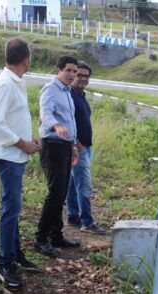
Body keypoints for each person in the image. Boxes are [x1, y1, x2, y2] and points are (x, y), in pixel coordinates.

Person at [0, 38, 40, 288]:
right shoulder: (5, 84)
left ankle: (15, 254)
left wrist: (29, 141)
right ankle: (4, 263)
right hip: (7, 156)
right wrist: (22, 143)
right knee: (11, 209)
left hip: (16, 154)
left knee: (14, 208)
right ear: (26, 59)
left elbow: (11, 118)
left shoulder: (16, 81)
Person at [35, 56, 81, 257]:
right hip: (52, 145)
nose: (72, 75)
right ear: (59, 70)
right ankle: (41, 238)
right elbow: (45, 113)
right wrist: (56, 125)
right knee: (55, 193)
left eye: (74, 71)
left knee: (61, 193)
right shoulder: (50, 89)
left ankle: (56, 235)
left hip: (64, 146)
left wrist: (72, 145)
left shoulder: (68, 92)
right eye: (68, 70)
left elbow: (69, 122)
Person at [66, 61, 106, 235]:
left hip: (84, 147)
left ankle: (73, 215)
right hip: (78, 147)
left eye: (86, 76)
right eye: (79, 75)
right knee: (84, 186)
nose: (82, 78)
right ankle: (87, 222)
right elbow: (66, 122)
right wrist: (76, 144)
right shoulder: (70, 96)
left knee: (73, 184)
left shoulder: (80, 95)